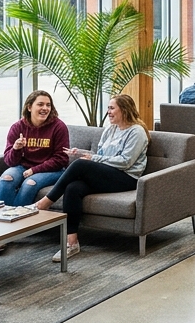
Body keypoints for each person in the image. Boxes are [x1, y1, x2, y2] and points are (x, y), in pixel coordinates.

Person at [34, 94, 149, 262]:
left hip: (126, 177)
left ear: (124, 110)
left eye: (112, 108)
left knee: (80, 165)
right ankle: (72, 242)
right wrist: (82, 153)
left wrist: (92, 159)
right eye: (108, 108)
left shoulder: (136, 132)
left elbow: (125, 162)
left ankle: (45, 203)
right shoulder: (110, 129)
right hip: (107, 174)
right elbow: (100, 155)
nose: (108, 112)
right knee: (73, 188)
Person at [0, 90, 71, 207]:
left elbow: (61, 159)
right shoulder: (17, 127)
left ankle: (19, 216)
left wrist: (34, 170)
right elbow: (9, 162)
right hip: (22, 167)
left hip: (53, 170)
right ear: (29, 107)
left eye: (48, 105)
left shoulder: (59, 127)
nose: (45, 108)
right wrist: (16, 149)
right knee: (6, 179)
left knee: (29, 184)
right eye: (40, 104)